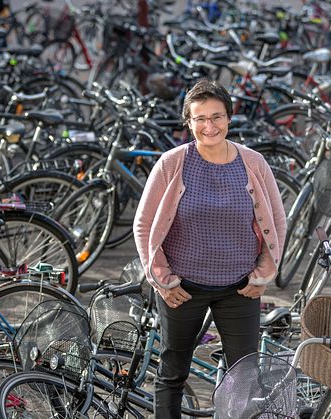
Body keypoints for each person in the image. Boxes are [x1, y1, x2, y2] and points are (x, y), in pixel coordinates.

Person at [133, 79, 287, 418]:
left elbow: (276, 219)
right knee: (172, 373)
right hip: (182, 288)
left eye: (217, 117)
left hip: (240, 288)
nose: (209, 126)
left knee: (244, 378)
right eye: (200, 119)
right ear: (188, 122)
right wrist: (162, 278)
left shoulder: (253, 163)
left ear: (230, 118)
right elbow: (144, 225)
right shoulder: (172, 163)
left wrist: (263, 274)